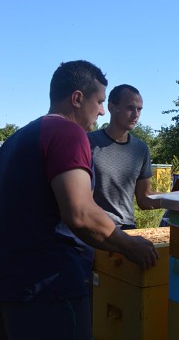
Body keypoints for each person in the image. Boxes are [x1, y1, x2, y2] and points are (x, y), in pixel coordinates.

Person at [0, 61, 158, 340]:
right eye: (99, 101)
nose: (101, 110)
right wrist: (130, 245)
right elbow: (81, 213)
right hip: (51, 287)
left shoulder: (17, 139)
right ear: (76, 98)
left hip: (14, 286)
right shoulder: (68, 133)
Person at [88, 84, 156, 230]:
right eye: (130, 108)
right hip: (95, 229)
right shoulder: (88, 142)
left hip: (128, 229)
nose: (136, 114)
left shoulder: (141, 149)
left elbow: (144, 200)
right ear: (111, 107)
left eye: (139, 109)